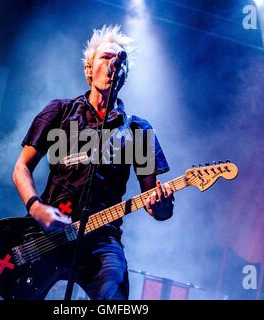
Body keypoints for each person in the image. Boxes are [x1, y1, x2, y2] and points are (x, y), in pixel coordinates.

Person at [13, 25, 175, 300]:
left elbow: (153, 201)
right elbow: (21, 168)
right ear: (89, 69)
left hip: (102, 239)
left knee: (114, 295)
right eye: (106, 57)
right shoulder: (59, 111)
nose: (114, 64)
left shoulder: (138, 130)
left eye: (120, 61)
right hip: (49, 231)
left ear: (125, 76)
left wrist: (163, 207)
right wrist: (36, 207)